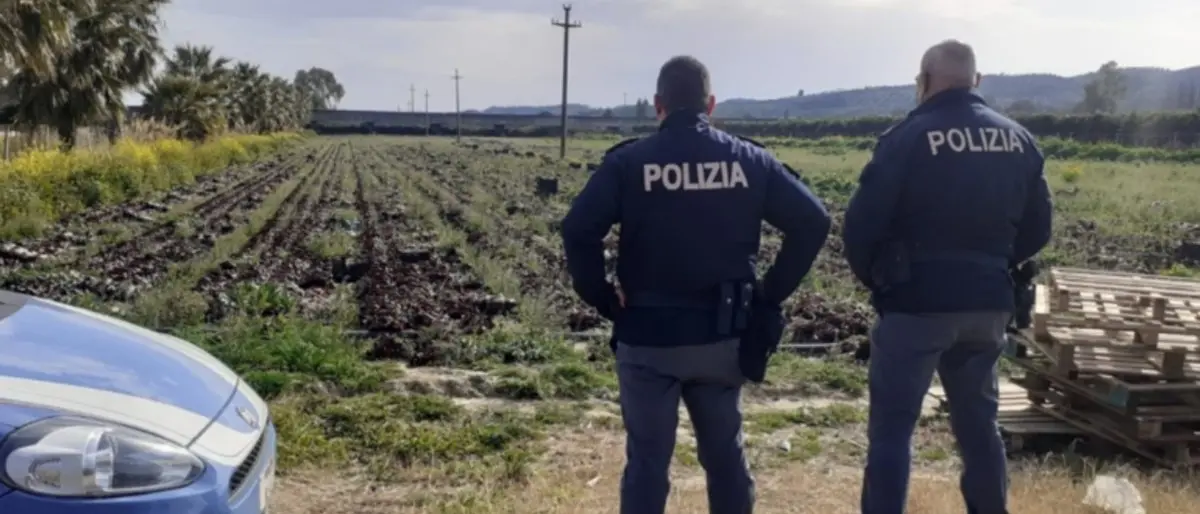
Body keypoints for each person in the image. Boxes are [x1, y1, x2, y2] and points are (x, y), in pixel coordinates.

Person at [561, 55, 831, 514]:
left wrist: (605, 299)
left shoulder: (629, 162)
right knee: (725, 457)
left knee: (647, 462)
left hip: (647, 339)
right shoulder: (749, 159)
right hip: (722, 337)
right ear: (711, 103)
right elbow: (813, 221)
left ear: (657, 104)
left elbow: (577, 230)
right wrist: (769, 293)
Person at [842, 40, 1053, 514]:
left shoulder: (908, 137)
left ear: (923, 81)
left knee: (893, 429)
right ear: (976, 81)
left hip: (916, 303)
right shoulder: (1018, 139)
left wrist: (880, 282)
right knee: (979, 426)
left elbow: (859, 228)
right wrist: (991, 262)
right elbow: (1040, 228)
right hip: (988, 304)